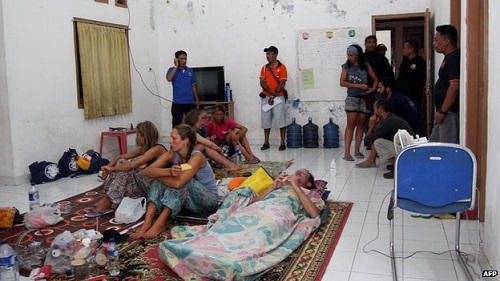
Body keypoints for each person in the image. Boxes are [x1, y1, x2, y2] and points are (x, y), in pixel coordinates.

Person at [157, 168, 324, 280]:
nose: (300, 171)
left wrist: (296, 187)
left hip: (278, 215)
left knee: (259, 235)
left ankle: (228, 261)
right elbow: (254, 202)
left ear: (309, 183)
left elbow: (314, 213)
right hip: (256, 211)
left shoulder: (309, 193)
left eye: (305, 173)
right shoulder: (279, 186)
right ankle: (199, 251)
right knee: (228, 227)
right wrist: (274, 186)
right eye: (298, 171)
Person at [131, 124, 219, 239]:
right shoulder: (171, 155)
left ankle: (160, 222)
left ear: (185, 141)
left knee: (181, 182)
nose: (170, 141)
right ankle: (147, 222)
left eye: (174, 138)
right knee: (159, 181)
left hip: (208, 200)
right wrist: (168, 171)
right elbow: (146, 171)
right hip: (188, 199)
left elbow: (178, 183)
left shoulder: (196, 157)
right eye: (170, 138)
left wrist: (158, 174)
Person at [94, 121, 168, 212]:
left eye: (138, 135)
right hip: (145, 183)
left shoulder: (157, 149)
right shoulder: (144, 148)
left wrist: (112, 169)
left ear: (145, 136)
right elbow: (119, 157)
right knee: (122, 162)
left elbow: (133, 164)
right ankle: (108, 197)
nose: (136, 139)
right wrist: (107, 168)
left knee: (128, 169)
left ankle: (109, 201)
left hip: (155, 186)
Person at [355, 99, 414, 179]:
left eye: (375, 109)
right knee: (379, 140)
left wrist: (371, 126)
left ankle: (398, 168)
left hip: (408, 153)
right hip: (410, 151)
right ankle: (395, 164)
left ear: (380, 110)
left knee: (378, 142)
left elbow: (367, 142)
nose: (374, 112)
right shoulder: (391, 118)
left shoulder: (389, 122)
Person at [339, 44, 378, 161]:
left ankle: (357, 150)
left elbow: (375, 79)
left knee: (361, 124)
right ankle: (347, 152)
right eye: (348, 55)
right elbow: (342, 82)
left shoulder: (365, 66)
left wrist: (373, 89)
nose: (349, 57)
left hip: (364, 98)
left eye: (352, 55)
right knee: (351, 125)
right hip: (352, 98)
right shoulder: (346, 67)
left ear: (357, 55)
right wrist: (357, 85)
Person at [429, 24, 460, 144]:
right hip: (442, 112)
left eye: (436, 40)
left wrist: (443, 111)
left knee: (446, 149)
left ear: (447, 41)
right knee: (434, 143)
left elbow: (454, 86)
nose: (434, 43)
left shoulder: (454, 58)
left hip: (448, 113)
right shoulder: (447, 57)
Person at [259, 45, 288, 151]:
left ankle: (282, 142)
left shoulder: (282, 67)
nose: (268, 56)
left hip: (278, 98)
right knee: (265, 120)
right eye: (267, 54)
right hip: (266, 97)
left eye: (270, 53)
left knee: (281, 120)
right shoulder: (264, 68)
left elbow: (282, 84)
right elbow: (262, 83)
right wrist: (271, 94)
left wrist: (273, 95)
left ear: (275, 55)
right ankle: (266, 142)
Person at [166, 50, 199, 128]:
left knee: (192, 125)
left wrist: (197, 99)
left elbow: (193, 85)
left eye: (185, 58)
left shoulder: (190, 71)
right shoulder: (172, 70)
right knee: (177, 125)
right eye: (181, 59)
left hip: (190, 102)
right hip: (178, 103)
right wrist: (175, 66)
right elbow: (169, 78)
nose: (184, 61)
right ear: (177, 59)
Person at [394, 39, 426, 116]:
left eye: (405, 48)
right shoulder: (404, 62)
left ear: (411, 49)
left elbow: (421, 81)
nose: (403, 50)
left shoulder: (420, 62)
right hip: (402, 96)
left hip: (414, 98)